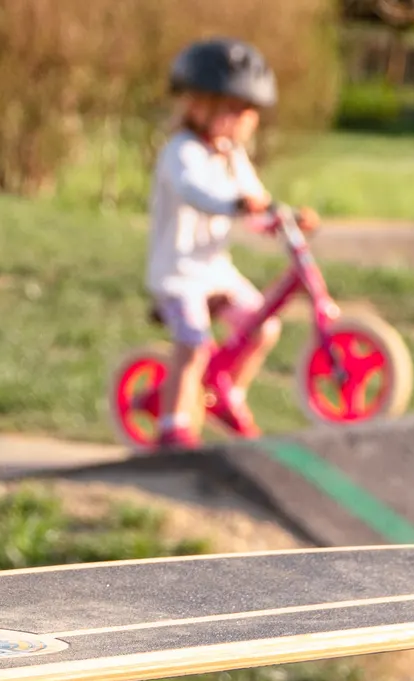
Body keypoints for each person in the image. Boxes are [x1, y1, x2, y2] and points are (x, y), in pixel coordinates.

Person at [145, 38, 317, 449]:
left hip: (214, 270)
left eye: (250, 113)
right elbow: (196, 192)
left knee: (263, 326)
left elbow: (255, 198)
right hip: (179, 274)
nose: (245, 121)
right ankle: (171, 426)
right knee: (193, 345)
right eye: (236, 109)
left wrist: (284, 217)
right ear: (197, 105)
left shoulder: (231, 153)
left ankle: (226, 394)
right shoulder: (180, 153)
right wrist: (236, 203)